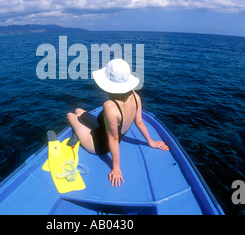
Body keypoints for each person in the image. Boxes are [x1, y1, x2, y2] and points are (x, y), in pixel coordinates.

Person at [66, 58, 169, 187]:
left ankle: (80, 133)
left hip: (99, 145)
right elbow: (140, 122)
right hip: (102, 129)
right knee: (79, 110)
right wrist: (151, 142)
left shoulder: (110, 106)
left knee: (71, 115)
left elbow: (113, 140)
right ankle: (82, 127)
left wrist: (116, 168)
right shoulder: (136, 97)